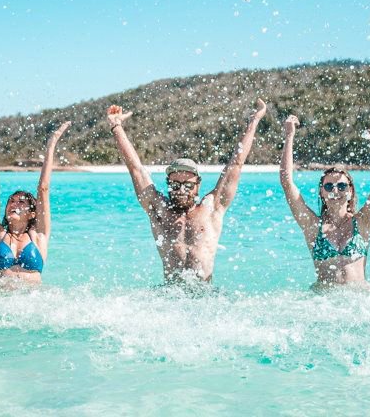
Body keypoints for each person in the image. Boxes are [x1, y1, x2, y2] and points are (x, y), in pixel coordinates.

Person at [106, 99, 267, 285]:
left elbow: (236, 165)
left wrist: (254, 122)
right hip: (171, 298)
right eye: (175, 185)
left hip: (205, 299)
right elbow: (136, 169)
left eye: (188, 185)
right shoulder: (158, 209)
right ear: (168, 184)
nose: (181, 189)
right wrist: (116, 126)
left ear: (198, 185)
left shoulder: (212, 208)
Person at [280, 115, 370, 289]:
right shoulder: (313, 226)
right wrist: (289, 136)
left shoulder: (362, 223)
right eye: (329, 186)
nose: (336, 190)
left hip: (361, 301)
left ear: (351, 190)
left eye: (342, 186)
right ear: (322, 192)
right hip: (325, 304)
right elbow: (287, 182)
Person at [0, 116, 70, 287]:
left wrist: (51, 146)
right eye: (11, 201)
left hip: (32, 304)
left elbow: (43, 189)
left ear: (32, 213)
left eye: (21, 202)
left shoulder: (38, 236)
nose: (14, 204)